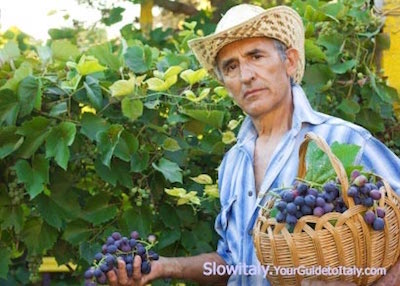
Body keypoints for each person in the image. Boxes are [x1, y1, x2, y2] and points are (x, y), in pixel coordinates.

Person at [107, 4, 400, 286]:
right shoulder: (233, 164)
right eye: (231, 66)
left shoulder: (345, 141)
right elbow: (234, 263)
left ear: (290, 61)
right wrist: (164, 266)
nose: (246, 76)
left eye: (256, 56)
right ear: (225, 83)